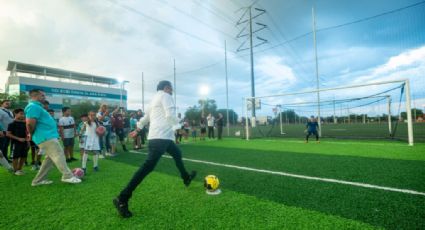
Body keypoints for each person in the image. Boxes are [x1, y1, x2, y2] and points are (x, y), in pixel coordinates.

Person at [113, 80, 196, 218]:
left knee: (177, 154)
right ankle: (122, 198)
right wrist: (179, 129)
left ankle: (186, 177)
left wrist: (137, 129)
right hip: (161, 137)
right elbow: (170, 116)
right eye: (171, 89)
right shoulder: (166, 96)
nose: (172, 91)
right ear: (166, 88)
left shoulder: (154, 100)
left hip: (162, 138)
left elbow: (146, 118)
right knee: (147, 167)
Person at [25, 89, 81, 186]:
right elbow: (30, 123)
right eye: (42, 95)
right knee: (59, 154)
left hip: (48, 136)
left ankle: (38, 181)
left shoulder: (38, 107)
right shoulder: (33, 106)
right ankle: (67, 176)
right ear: (35, 96)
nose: (44, 97)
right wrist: (32, 134)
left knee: (49, 159)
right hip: (45, 137)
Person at [7, 108, 29, 175]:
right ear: (15, 114)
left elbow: (27, 133)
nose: (23, 115)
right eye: (21, 114)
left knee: (23, 156)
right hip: (16, 143)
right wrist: (18, 138)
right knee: (16, 156)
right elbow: (8, 134)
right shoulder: (12, 123)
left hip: (24, 142)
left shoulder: (25, 123)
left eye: (23, 114)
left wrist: (27, 141)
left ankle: (20, 169)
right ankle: (15, 170)